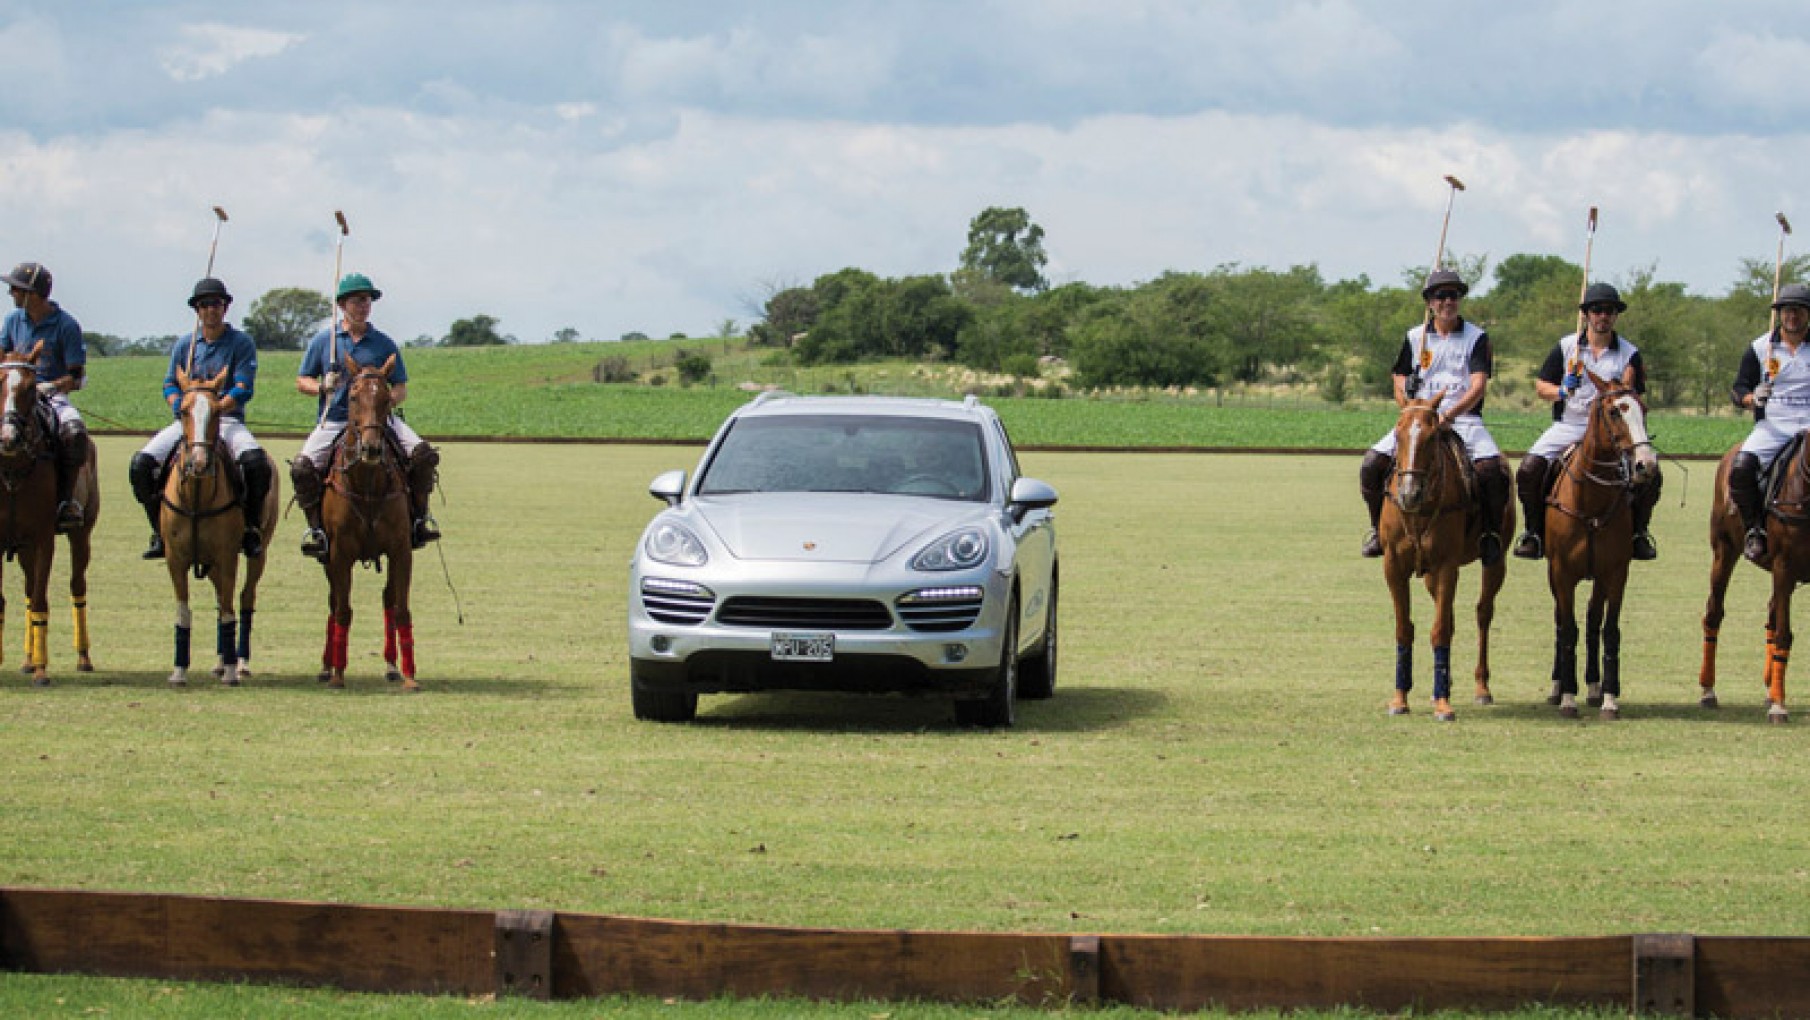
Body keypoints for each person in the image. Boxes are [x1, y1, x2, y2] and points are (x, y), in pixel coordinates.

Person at [1358, 268, 1510, 565]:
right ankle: (1378, 530)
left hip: (1463, 419)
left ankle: (1490, 535)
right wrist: (1407, 394)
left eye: (1453, 295)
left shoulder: (1476, 337)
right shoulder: (1415, 337)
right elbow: (1398, 377)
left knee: (1493, 472)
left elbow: (1478, 385)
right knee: (1371, 465)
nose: (1447, 302)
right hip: (1418, 419)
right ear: (1429, 302)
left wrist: (1449, 415)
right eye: (1440, 296)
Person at [291, 272, 440, 561]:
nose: (364, 306)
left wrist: (384, 400)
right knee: (302, 468)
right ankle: (317, 531)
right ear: (343, 304)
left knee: (423, 455)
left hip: (379, 421)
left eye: (368, 300)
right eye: (358, 300)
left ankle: (419, 520)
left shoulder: (383, 343)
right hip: (334, 420)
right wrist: (323, 386)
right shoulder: (326, 341)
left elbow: (400, 387)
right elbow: (302, 381)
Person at [1512, 282, 1662, 560]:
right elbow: (1541, 386)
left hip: (1614, 431)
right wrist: (1561, 390)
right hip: (1570, 424)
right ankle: (1534, 533)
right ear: (1587, 315)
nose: (1603, 316)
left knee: (1651, 474)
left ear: (1616, 316)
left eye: (1609, 311)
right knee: (1529, 469)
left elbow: (1635, 399)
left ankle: (1639, 533)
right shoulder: (1566, 347)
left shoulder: (1629, 353)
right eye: (1597, 310)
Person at [127, 278, 272, 559]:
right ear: (197, 310)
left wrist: (216, 407)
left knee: (256, 463)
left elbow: (243, 387)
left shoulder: (241, 343)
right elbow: (169, 383)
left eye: (216, 303)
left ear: (225, 307)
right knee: (140, 465)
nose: (210, 310)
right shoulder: (185, 345)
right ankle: (159, 531)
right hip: (189, 423)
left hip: (226, 420)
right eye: (204, 305)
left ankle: (250, 529)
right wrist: (183, 406)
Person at [1, 262, 90, 532]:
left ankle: (66, 501)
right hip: (14, 395)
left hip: (52, 396)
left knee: (74, 432)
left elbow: (77, 377)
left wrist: (49, 387)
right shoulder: (12, 321)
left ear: (34, 294)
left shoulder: (66, 325)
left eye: (17, 289)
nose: (11, 294)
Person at [1729, 282, 1810, 563]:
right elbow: (1737, 389)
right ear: (1779, 314)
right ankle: (1754, 530)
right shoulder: (1760, 348)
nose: (1793, 316)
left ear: (1807, 314)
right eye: (1787, 310)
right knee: (1741, 467)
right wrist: (1753, 398)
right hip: (1773, 425)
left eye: (1799, 311)